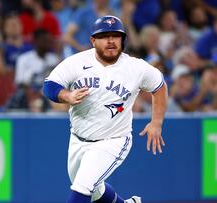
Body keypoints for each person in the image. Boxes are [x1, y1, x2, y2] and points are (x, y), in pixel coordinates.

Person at [43, 15, 168, 203]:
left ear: (122, 40)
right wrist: (67, 96)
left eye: (116, 36)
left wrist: (156, 121)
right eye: (104, 36)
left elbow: (159, 86)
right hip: (78, 138)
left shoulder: (136, 68)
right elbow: (49, 85)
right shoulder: (77, 62)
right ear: (93, 40)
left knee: (82, 188)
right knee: (95, 191)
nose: (111, 41)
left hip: (113, 140)